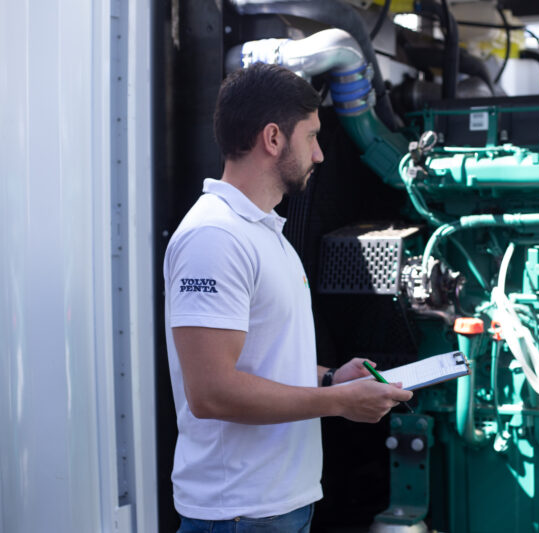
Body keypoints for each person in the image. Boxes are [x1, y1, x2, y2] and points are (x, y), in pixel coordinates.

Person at [163, 62, 413, 533]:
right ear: (273, 138)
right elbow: (212, 393)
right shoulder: (214, 237)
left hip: (276, 508)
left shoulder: (265, 233)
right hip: (237, 514)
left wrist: (333, 378)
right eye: (312, 137)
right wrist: (340, 403)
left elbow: (264, 364)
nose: (320, 154)